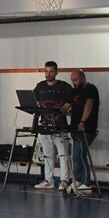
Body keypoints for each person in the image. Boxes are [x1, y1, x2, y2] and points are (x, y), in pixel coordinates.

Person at [33, 61, 73, 190]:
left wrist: (58, 116)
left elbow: (68, 104)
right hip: (44, 126)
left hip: (60, 126)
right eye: (46, 71)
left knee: (63, 154)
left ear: (56, 72)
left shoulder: (64, 87)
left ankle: (64, 180)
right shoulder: (40, 86)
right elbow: (35, 102)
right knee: (47, 155)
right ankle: (48, 180)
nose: (48, 74)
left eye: (51, 71)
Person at [69, 69, 100, 191]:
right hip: (75, 128)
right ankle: (77, 179)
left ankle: (86, 182)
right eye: (72, 80)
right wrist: (58, 115)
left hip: (87, 128)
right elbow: (67, 104)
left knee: (80, 154)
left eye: (76, 80)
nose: (74, 83)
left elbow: (89, 106)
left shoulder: (91, 89)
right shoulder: (74, 92)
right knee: (75, 156)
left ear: (83, 78)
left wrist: (83, 121)